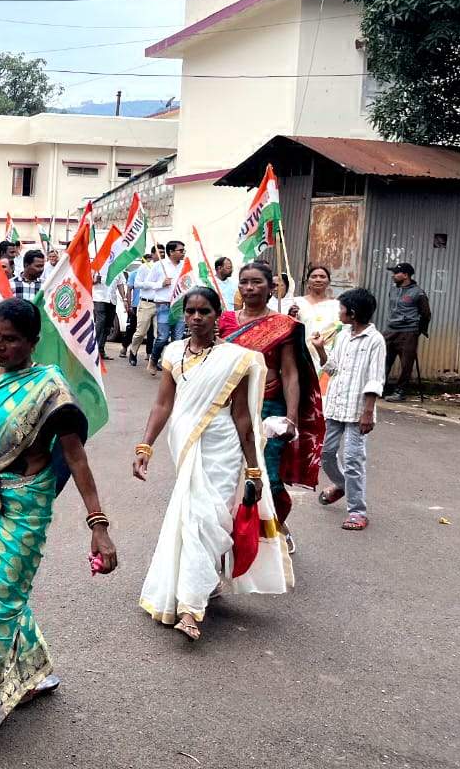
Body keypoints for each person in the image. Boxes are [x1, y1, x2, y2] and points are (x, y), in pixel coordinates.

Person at [0, 298, 117, 769]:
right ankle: (33, 672)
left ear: (33, 343)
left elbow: (76, 458)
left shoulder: (50, 390)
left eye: (10, 339)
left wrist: (99, 526)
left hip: (23, 510)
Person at [132, 287, 292, 641]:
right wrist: (146, 445)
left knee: (206, 521)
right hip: (186, 442)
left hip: (223, 445)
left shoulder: (235, 358)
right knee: (191, 517)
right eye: (190, 311)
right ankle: (199, 590)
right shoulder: (174, 353)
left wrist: (253, 468)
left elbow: (243, 418)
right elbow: (162, 405)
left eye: (204, 311)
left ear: (218, 314)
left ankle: (190, 607)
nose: (196, 317)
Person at [222, 260, 324, 552]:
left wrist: (291, 418)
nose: (250, 288)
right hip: (230, 406)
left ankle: (278, 524)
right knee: (231, 473)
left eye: (257, 282)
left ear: (271, 288)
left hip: (270, 408)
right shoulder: (226, 321)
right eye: (245, 282)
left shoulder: (284, 326)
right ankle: (234, 533)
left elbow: (290, 372)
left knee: (271, 477)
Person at [312, 288, 385, 532]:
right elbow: (332, 369)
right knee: (326, 455)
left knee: (353, 460)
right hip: (335, 407)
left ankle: (357, 511)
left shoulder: (375, 340)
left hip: (357, 412)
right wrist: (321, 349)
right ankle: (342, 485)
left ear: (352, 313)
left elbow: (376, 378)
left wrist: (368, 412)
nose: (339, 312)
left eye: (342, 308)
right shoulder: (342, 335)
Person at [383, 263, 431, 402]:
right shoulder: (393, 290)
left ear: (405, 275)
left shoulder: (418, 292)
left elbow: (426, 313)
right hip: (391, 330)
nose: (393, 276)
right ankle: (381, 388)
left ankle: (400, 392)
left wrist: (418, 330)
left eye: (396, 273)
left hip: (408, 332)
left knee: (406, 364)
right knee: (383, 360)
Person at [140, 240, 187, 376]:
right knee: (163, 337)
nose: (183, 253)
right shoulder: (159, 266)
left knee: (178, 338)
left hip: (179, 305)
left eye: (184, 250)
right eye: (180, 250)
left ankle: (174, 367)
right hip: (163, 305)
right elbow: (147, 283)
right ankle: (154, 359)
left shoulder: (184, 266)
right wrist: (161, 283)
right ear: (171, 252)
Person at [290, 264, 341, 366]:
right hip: (301, 355)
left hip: (327, 356)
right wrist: (290, 316)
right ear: (307, 281)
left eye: (322, 277)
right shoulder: (296, 302)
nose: (318, 280)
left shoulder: (337, 305)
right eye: (314, 277)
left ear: (329, 282)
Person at [127, 252, 159, 368]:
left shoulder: (164, 268)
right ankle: (133, 352)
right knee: (141, 332)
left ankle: (154, 359)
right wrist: (155, 284)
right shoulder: (145, 267)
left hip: (160, 304)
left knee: (158, 335)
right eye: (158, 252)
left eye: (162, 252)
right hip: (146, 303)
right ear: (153, 254)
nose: (161, 255)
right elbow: (137, 284)